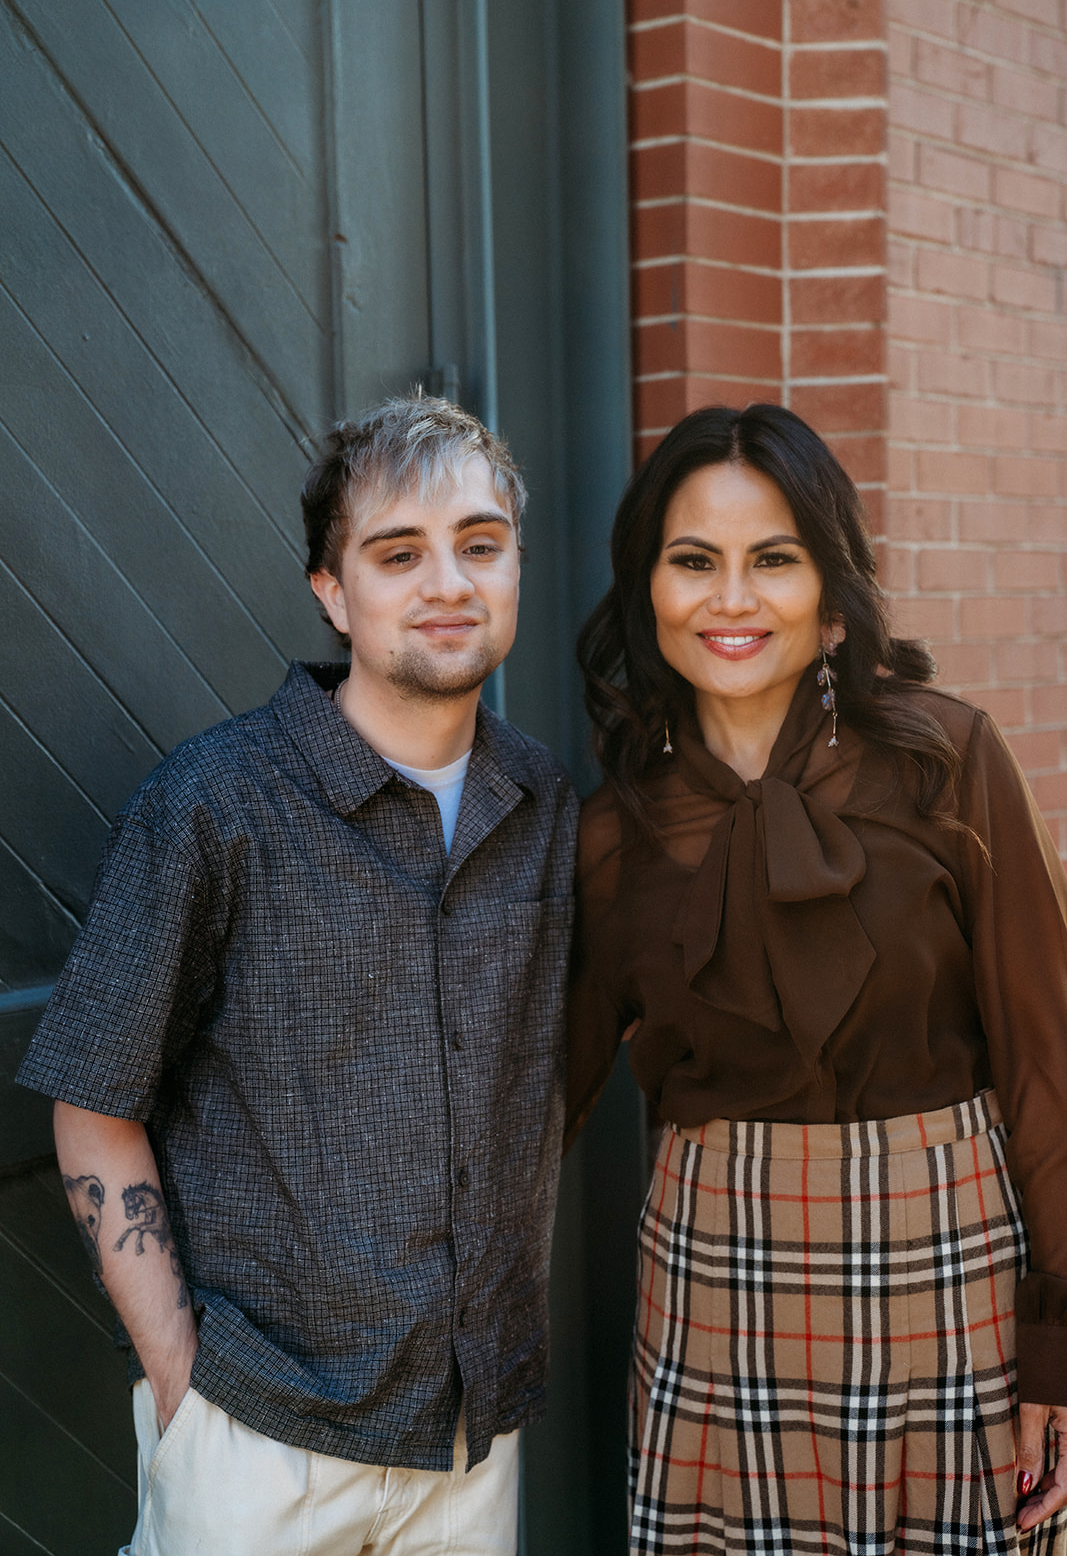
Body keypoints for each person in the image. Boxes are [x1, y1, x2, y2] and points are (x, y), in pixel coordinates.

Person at [18, 393, 577, 1556]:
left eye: (479, 544)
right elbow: (94, 1102)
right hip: (257, 1446)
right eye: (396, 552)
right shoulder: (214, 803)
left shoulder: (544, 806)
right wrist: (183, 1389)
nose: (446, 582)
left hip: (470, 1445)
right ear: (332, 591)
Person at [566, 402, 1067, 1555]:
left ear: (830, 598)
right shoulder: (609, 835)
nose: (730, 598)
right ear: (649, 589)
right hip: (713, 1283)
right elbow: (542, 1092)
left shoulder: (946, 761)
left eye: (771, 561)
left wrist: (1058, 1345)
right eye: (693, 561)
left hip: (950, 1274)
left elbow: (1047, 1068)